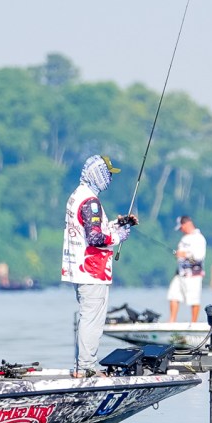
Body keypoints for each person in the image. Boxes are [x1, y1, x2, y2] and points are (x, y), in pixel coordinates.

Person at [61, 155, 134, 377]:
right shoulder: (91, 201)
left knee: (87, 317)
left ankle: (82, 366)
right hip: (92, 270)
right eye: (108, 174)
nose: (110, 179)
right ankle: (86, 367)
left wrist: (117, 224)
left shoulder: (78, 195)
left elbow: (91, 229)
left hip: (81, 268)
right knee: (92, 320)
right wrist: (118, 236)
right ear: (97, 174)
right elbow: (94, 238)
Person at [167, 215, 207, 323]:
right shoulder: (184, 239)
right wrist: (178, 255)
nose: (181, 230)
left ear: (186, 224)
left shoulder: (199, 238)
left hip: (193, 275)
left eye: (181, 227)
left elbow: (199, 257)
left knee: (193, 299)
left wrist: (185, 254)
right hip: (180, 273)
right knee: (173, 295)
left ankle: (193, 323)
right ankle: (172, 321)